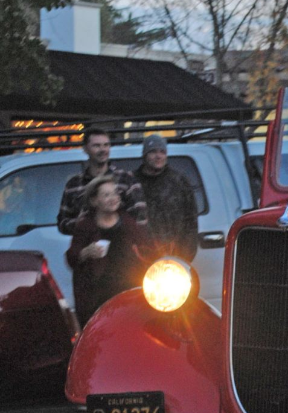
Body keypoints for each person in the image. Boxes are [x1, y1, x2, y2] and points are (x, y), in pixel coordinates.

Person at [65, 175, 151, 326]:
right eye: (106, 195)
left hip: (128, 292)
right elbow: (71, 257)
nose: (113, 198)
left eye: (115, 193)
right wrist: (85, 253)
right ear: (94, 201)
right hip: (96, 297)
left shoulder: (128, 222)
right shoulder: (85, 226)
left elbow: (149, 250)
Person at [57, 127, 147, 236]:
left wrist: (113, 223)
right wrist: (81, 224)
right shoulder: (74, 184)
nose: (103, 150)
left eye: (106, 145)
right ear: (85, 149)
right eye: (97, 145)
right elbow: (62, 222)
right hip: (86, 249)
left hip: (120, 248)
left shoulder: (126, 179)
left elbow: (141, 218)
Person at [135, 134, 198, 262]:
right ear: (144, 155)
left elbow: (191, 221)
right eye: (153, 152)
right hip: (140, 258)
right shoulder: (132, 182)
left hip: (174, 257)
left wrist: (185, 256)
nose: (158, 156)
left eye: (162, 152)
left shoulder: (179, 181)